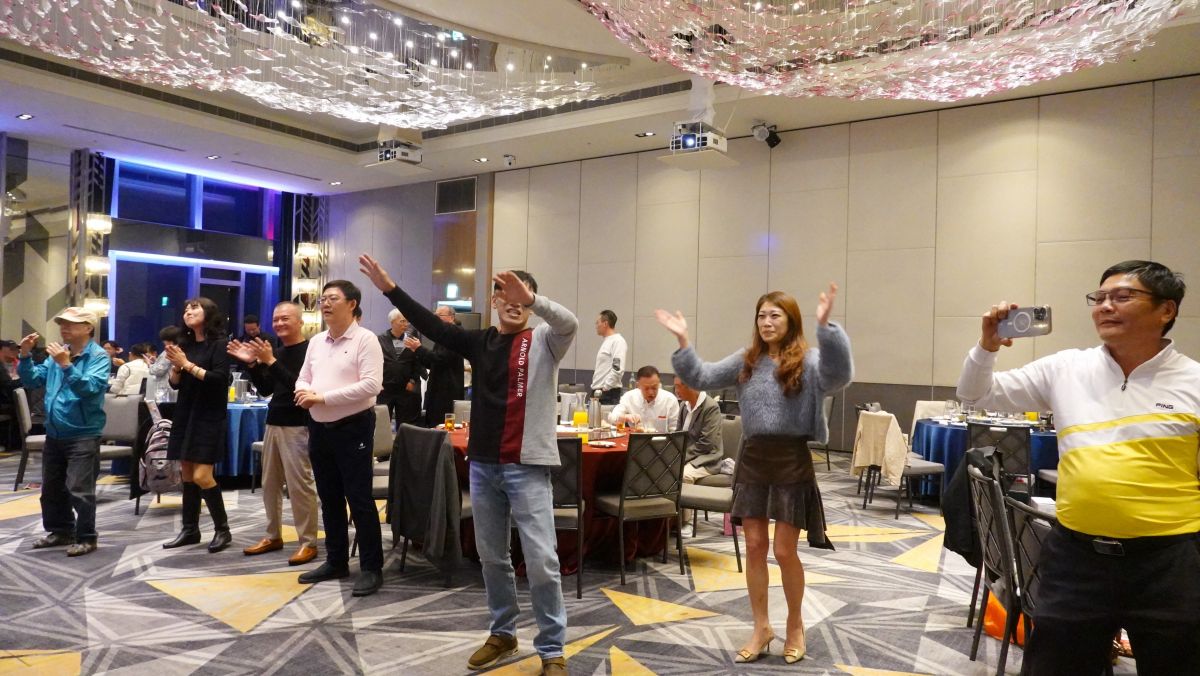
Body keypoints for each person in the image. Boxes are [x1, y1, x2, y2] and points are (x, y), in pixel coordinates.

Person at [955, 260, 1200, 675]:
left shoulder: (1192, 379)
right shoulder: (1066, 368)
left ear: (1166, 310)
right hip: (1077, 557)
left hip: (1169, 562)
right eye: (1099, 297)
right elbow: (976, 396)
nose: (1105, 306)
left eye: (1123, 296)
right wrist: (987, 346)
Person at [360, 253, 575, 676]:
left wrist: (534, 298)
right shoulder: (480, 342)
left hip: (527, 466)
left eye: (522, 296)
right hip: (483, 465)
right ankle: (503, 632)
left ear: (531, 302)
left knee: (542, 562)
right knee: (492, 558)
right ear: (493, 301)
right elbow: (433, 325)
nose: (513, 302)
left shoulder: (545, 340)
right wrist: (390, 289)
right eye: (505, 294)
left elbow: (570, 322)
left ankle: (552, 649)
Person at [656, 285, 852, 664]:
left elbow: (840, 374)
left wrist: (827, 327)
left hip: (791, 461)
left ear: (791, 320)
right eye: (761, 315)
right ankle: (761, 626)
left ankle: (795, 625)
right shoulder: (746, 361)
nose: (766, 322)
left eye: (775, 315)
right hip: (753, 460)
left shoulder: (809, 362)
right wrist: (683, 341)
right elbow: (702, 375)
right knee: (755, 546)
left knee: (784, 550)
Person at [293, 280, 385, 597]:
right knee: (329, 497)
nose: (325, 304)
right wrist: (303, 392)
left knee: (359, 499)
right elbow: (303, 377)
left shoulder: (365, 339)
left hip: (353, 427)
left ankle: (372, 567)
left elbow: (371, 385)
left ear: (352, 304)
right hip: (319, 427)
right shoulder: (317, 341)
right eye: (323, 299)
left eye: (333, 298)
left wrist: (322, 398)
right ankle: (336, 561)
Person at [228, 301, 319, 565]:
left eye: (285, 318)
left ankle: (308, 542)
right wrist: (253, 365)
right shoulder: (276, 352)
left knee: (300, 486)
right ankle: (273, 535)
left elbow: (300, 388)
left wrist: (270, 361)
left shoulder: (311, 352)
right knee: (269, 484)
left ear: (300, 321)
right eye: (276, 319)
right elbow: (267, 389)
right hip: (273, 421)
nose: (279, 323)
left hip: (298, 424)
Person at [17, 308, 110, 556]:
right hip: (55, 433)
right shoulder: (60, 353)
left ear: (88, 328)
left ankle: (87, 537)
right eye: (62, 323)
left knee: (79, 489)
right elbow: (32, 380)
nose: (64, 328)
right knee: (51, 489)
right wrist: (25, 355)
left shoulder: (98, 356)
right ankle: (61, 531)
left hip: (83, 433)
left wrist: (66, 365)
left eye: (71, 324)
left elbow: (90, 389)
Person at [161, 297, 234, 553]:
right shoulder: (185, 344)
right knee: (188, 475)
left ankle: (223, 530)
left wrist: (187, 365)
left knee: (203, 475)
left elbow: (219, 380)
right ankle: (190, 529)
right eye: (185, 309)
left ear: (209, 312)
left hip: (208, 415)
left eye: (194, 307)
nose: (188, 311)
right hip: (185, 412)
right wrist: (176, 368)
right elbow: (175, 384)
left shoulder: (219, 344)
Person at [673, 377, 725, 536]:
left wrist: (681, 457)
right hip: (688, 456)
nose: (676, 391)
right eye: (675, 387)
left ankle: (686, 523)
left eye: (679, 387)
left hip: (707, 459)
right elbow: (678, 434)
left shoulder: (710, 407)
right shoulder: (684, 405)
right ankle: (669, 520)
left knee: (683, 475)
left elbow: (706, 443)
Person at [407, 305, 465, 427]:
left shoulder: (456, 334)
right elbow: (432, 363)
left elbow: (441, 359)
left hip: (447, 391)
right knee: (433, 424)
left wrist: (420, 349)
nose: (436, 318)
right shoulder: (443, 335)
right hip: (437, 388)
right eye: (435, 315)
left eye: (440, 315)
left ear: (451, 317)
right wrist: (417, 352)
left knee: (443, 426)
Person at [377, 308, 425, 426]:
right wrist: (377, 382)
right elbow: (375, 362)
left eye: (407, 321)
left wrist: (413, 380)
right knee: (382, 422)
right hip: (385, 387)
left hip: (405, 388)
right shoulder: (380, 339)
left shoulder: (412, 340)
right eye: (402, 321)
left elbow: (417, 362)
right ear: (392, 322)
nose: (406, 324)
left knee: (405, 423)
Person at [607, 365, 680, 431]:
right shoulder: (629, 397)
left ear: (659, 384)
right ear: (638, 385)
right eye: (646, 388)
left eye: (654, 387)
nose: (651, 392)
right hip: (636, 439)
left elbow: (675, 430)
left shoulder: (670, 400)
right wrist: (625, 417)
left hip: (662, 440)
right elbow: (612, 418)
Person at [590, 309, 627, 404]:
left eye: (597, 322)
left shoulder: (618, 341)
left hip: (607, 394)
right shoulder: (607, 341)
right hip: (598, 392)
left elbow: (617, 368)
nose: (596, 326)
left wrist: (606, 387)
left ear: (605, 324)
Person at [144, 326, 181, 402]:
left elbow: (159, 371)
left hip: (166, 389)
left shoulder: (169, 351)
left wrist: (150, 365)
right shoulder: (180, 349)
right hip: (174, 387)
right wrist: (156, 361)